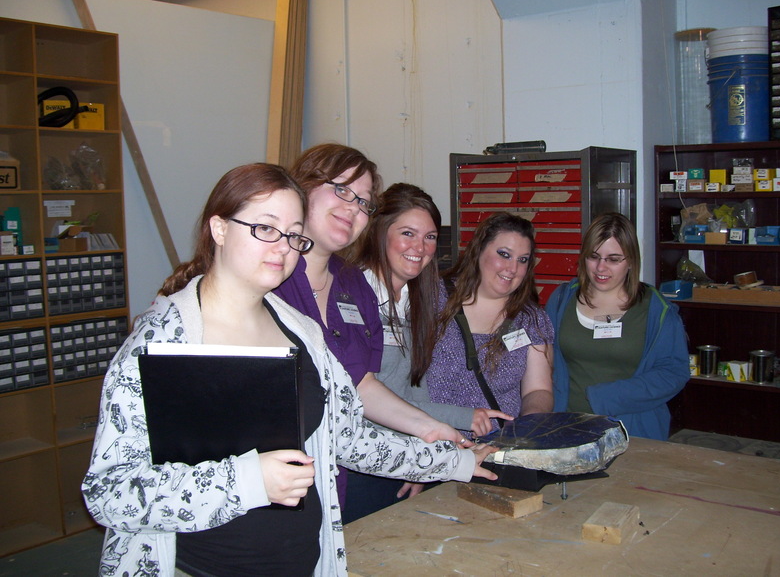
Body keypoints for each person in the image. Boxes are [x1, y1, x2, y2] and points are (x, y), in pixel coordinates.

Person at [82, 163, 496, 577]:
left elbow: (349, 437)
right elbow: (110, 492)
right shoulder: (165, 339)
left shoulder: (301, 334)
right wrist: (247, 481)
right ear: (220, 229)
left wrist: (450, 462)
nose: (282, 247)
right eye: (265, 228)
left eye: (293, 234)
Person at [274, 144, 467, 508]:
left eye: (363, 201)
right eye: (342, 189)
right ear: (302, 187)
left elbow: (360, 384)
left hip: (334, 481)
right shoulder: (269, 278)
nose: (353, 208)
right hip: (272, 483)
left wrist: (428, 430)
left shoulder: (352, 286)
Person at [342, 183, 512, 522]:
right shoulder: (351, 297)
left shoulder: (415, 298)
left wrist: (425, 456)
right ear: (379, 232)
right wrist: (459, 421)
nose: (420, 248)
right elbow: (365, 399)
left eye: (430, 237)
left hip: (403, 458)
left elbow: (413, 389)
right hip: (358, 464)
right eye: (408, 233)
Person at [544, 212, 690, 440]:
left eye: (613, 259)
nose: (601, 268)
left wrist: (607, 398)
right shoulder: (562, 299)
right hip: (566, 426)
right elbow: (542, 360)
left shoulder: (656, 310)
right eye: (594, 257)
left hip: (632, 430)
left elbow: (673, 372)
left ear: (631, 261)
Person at [425, 211, 555, 429]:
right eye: (504, 254)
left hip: (496, 447)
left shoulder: (530, 319)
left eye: (522, 260)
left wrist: (529, 423)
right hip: (433, 442)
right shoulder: (432, 299)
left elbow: (538, 389)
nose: (512, 269)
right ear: (478, 251)